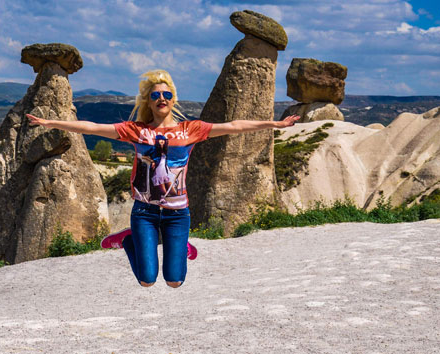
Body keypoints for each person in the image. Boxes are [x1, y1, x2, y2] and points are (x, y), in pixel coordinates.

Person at [26, 69, 299, 288]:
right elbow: (93, 127)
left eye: (166, 94)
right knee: (147, 281)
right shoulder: (136, 130)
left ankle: (180, 245)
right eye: (156, 95)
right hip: (144, 212)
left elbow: (234, 126)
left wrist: (274, 124)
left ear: (173, 99)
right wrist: (52, 123)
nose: (162, 98)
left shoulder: (190, 130)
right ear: (149, 101)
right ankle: (128, 239)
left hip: (178, 213)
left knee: (174, 281)